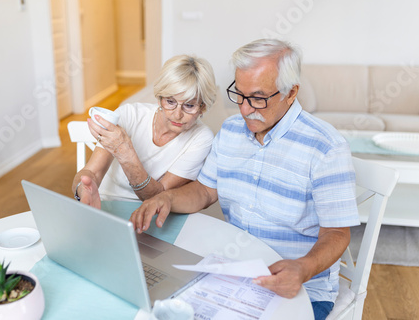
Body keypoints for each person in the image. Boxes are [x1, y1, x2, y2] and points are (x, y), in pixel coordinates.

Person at [129, 39, 360, 320]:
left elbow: (337, 233)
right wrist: (166, 197)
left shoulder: (326, 147)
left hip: (300, 289)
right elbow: (203, 191)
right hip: (234, 273)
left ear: (291, 93)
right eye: (240, 94)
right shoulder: (230, 130)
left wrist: (303, 268)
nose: (246, 109)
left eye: (258, 98)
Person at [72, 55, 217, 209]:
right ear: (160, 98)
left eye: (189, 105)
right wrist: (84, 190)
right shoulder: (130, 114)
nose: (177, 114)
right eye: (170, 101)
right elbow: (91, 172)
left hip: (149, 212)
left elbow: (158, 196)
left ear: (203, 107)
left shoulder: (201, 138)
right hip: (103, 204)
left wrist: (125, 153)